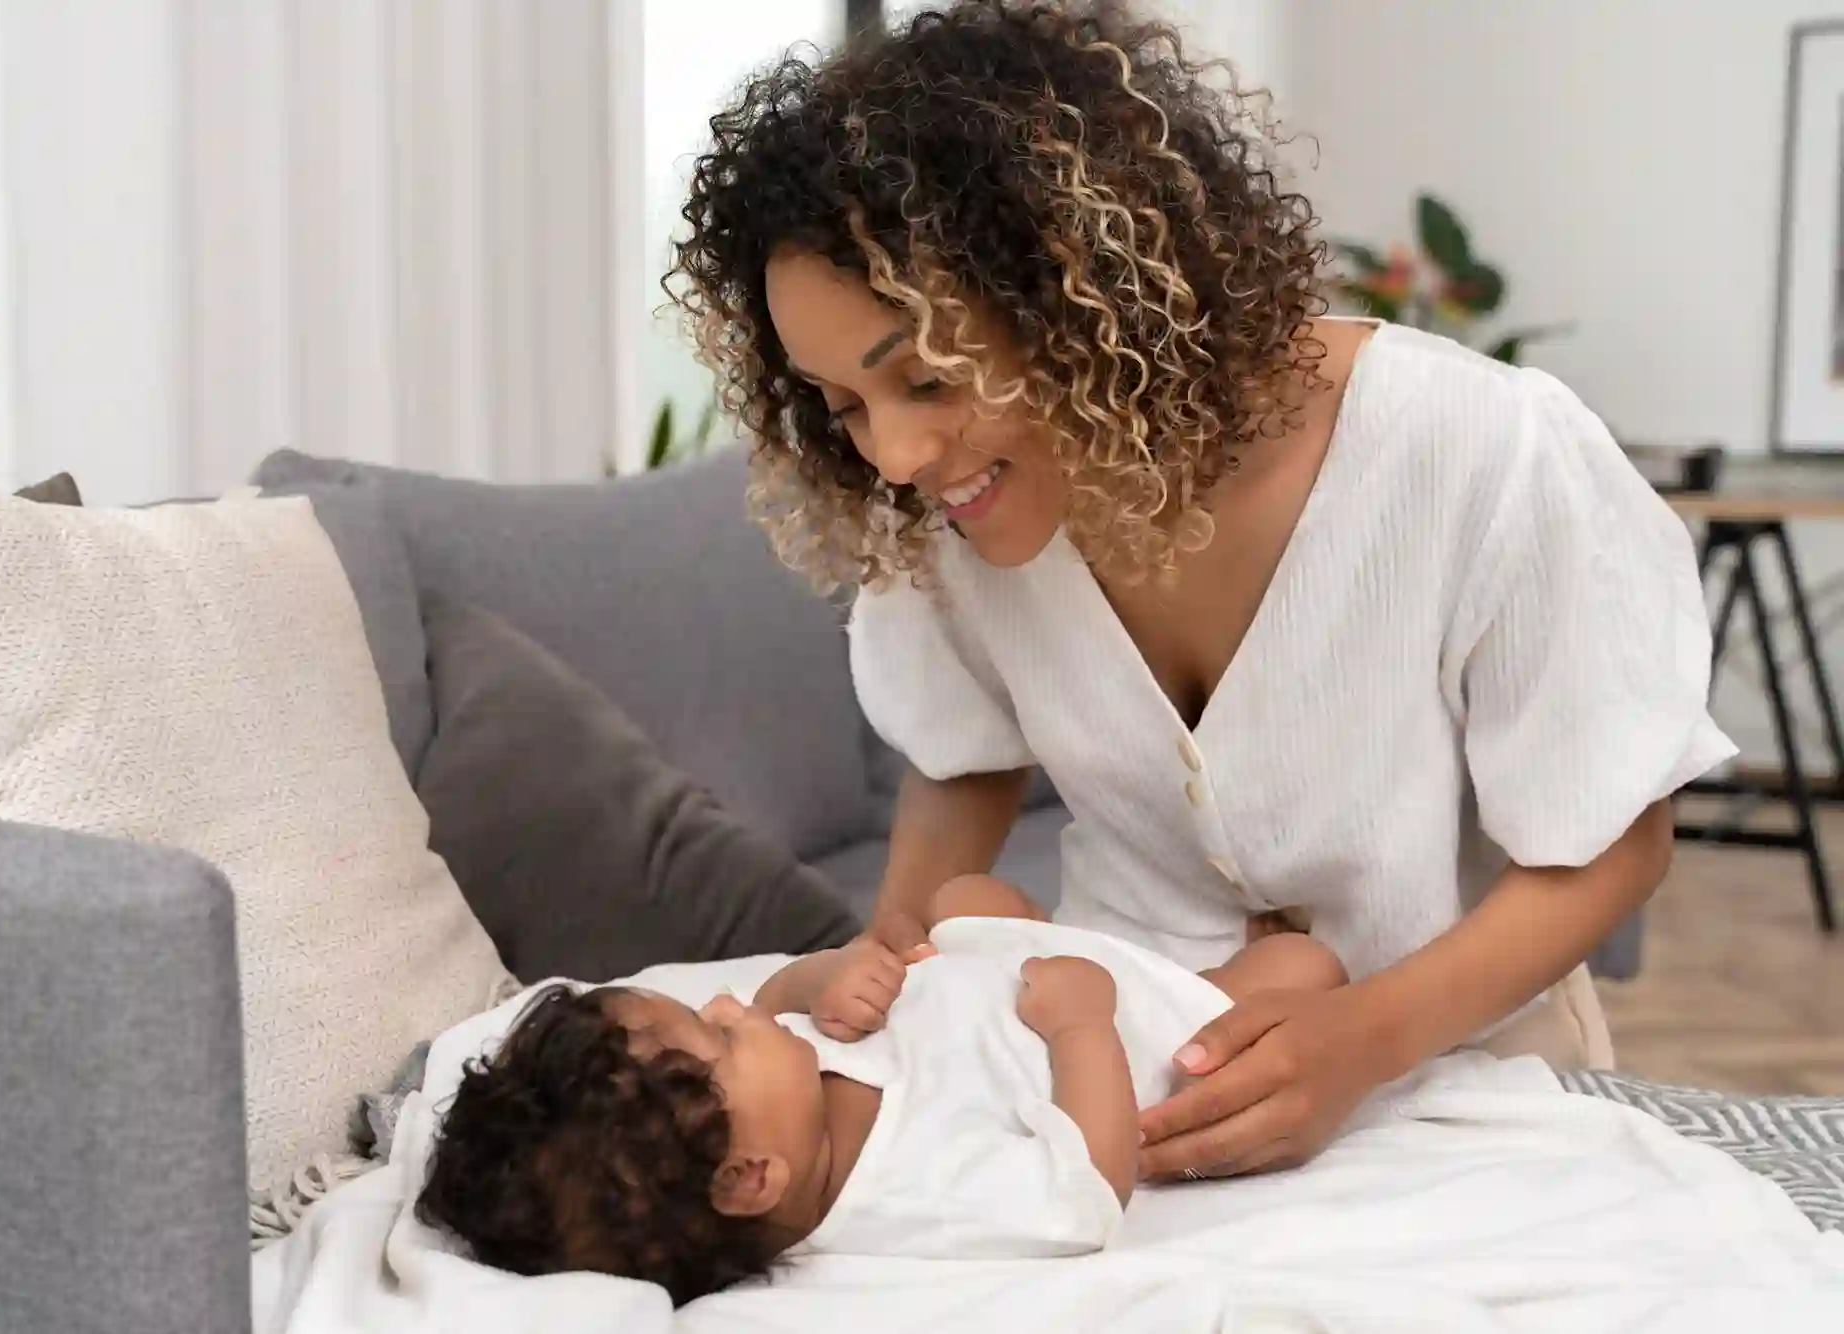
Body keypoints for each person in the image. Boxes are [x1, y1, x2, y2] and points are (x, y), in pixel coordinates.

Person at [666, 0, 1732, 1182]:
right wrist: (890, 992)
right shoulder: (964, 510)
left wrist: (1361, 1042)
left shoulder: (1480, 453)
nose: (896, 457)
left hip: (1461, 1070)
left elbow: (1612, 843)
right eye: (844, 407)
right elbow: (959, 761)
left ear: (1079, 295)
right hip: (1132, 1096)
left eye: (925, 378)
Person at [415, 874, 1346, 1305]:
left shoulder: (780, 1104)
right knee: (1301, 968)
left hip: (991, 974)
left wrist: (818, 982)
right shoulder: (915, 1192)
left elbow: (779, 997)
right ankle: (1220, 966)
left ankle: (1058, 927)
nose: (739, 1004)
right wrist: (1081, 1027)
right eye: (718, 1035)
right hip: (1118, 1032)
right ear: (749, 1179)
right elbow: (1084, 1191)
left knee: (965, 893)